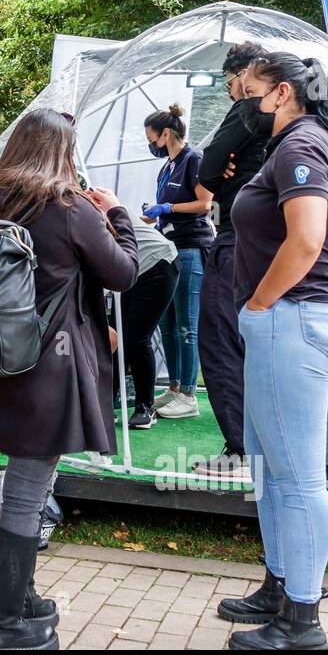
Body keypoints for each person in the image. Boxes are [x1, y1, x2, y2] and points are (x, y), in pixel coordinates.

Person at [0, 109, 138, 650]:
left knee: (26, 480)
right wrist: (120, 215)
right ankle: (6, 622)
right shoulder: (69, 207)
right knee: (27, 489)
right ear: (64, 152)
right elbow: (124, 272)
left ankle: (25, 596)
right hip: (48, 369)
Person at [220, 53, 328, 650]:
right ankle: (280, 587)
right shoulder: (307, 144)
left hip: (292, 320)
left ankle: (301, 623)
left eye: (247, 91)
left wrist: (258, 305)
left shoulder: (301, 145)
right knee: (276, 472)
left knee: (299, 480)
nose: (240, 103)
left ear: (280, 94)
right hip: (295, 321)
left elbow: (306, 241)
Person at [194, 42, 267, 476]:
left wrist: (220, 168)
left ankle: (240, 451)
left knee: (220, 339)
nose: (231, 91)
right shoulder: (296, 121)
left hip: (235, 241)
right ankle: (253, 446)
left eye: (232, 82)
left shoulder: (249, 107)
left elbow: (206, 171)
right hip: (262, 243)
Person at [142, 104, 213, 420]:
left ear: (165, 134)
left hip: (189, 249)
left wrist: (168, 207)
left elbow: (204, 203)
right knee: (166, 322)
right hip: (167, 250)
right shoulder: (166, 167)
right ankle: (173, 387)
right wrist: (153, 214)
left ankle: (189, 393)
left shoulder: (193, 159)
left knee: (187, 323)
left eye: (151, 138)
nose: (151, 144)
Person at [117, 216, 179, 429]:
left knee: (136, 338)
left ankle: (145, 407)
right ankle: (106, 405)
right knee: (118, 338)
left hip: (157, 264)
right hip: (131, 269)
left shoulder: (89, 210)